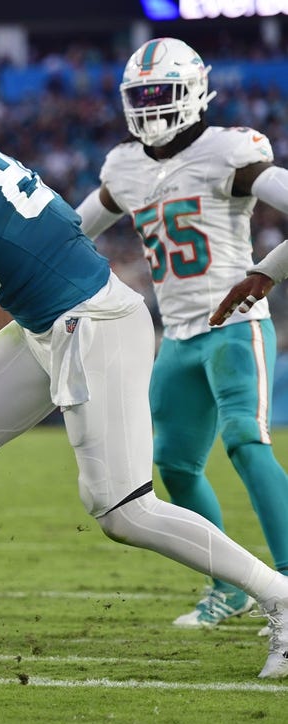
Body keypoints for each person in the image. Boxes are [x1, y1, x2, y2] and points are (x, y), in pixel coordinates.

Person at [0, 53, 288, 679]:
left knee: (122, 510)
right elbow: (16, 266)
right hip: (44, 321)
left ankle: (281, 597)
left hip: (97, 324)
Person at [75, 37, 288, 630]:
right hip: (177, 334)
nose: (147, 107)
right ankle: (231, 585)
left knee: (246, 443)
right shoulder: (124, 165)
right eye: (138, 96)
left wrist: (265, 272)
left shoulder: (229, 150)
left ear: (193, 93)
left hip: (236, 326)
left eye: (158, 94)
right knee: (173, 465)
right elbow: (72, 230)